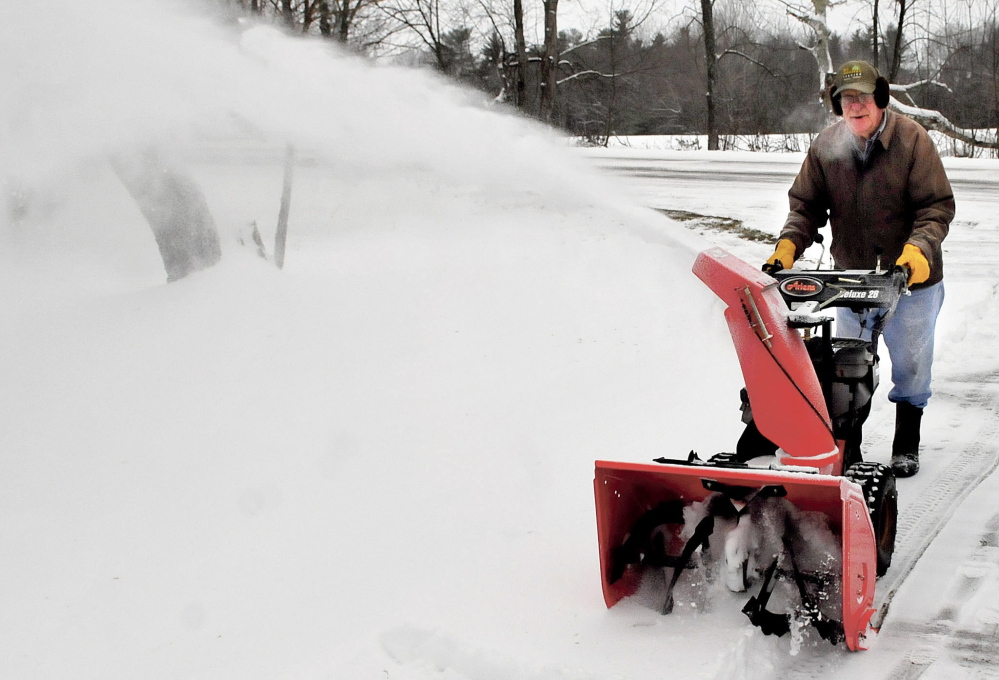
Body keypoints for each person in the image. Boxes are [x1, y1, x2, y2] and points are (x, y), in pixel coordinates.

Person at [764, 60, 954, 477]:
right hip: (851, 280)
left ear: (881, 98)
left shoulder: (912, 141)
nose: (855, 106)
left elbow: (935, 207)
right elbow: (806, 206)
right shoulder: (827, 146)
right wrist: (787, 246)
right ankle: (848, 447)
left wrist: (917, 253)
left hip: (910, 280)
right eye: (846, 99)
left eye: (863, 97)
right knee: (848, 364)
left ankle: (907, 440)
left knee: (911, 365)